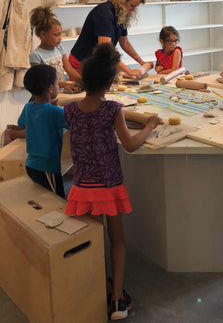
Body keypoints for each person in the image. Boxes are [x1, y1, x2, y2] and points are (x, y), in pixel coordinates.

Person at [64, 43, 162, 320]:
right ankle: (118, 300)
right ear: (110, 82)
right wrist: (150, 126)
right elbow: (130, 145)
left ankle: (95, 290)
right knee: (117, 241)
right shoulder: (113, 109)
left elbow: (86, 119)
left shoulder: (70, 111)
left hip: (83, 186)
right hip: (108, 186)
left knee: (94, 242)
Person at [68, 0, 153, 80]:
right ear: (122, 0)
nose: (133, 10)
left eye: (136, 7)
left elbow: (124, 43)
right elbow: (107, 50)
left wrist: (142, 62)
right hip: (82, 62)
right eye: (132, 5)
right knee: (86, 93)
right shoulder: (104, 13)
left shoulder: (122, 14)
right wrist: (129, 71)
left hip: (97, 63)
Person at [16, 65, 67, 198]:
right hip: (48, 168)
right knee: (58, 202)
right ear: (50, 89)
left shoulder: (28, 107)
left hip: (31, 164)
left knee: (44, 200)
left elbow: (21, 123)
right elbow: (75, 124)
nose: (59, 86)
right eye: (57, 83)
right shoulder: (54, 112)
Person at [30, 6, 81, 91]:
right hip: (44, 96)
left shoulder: (59, 48)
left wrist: (82, 81)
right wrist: (64, 84)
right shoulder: (36, 55)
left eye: (60, 34)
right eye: (56, 35)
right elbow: (43, 81)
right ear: (43, 35)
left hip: (59, 92)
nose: (60, 38)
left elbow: (69, 69)